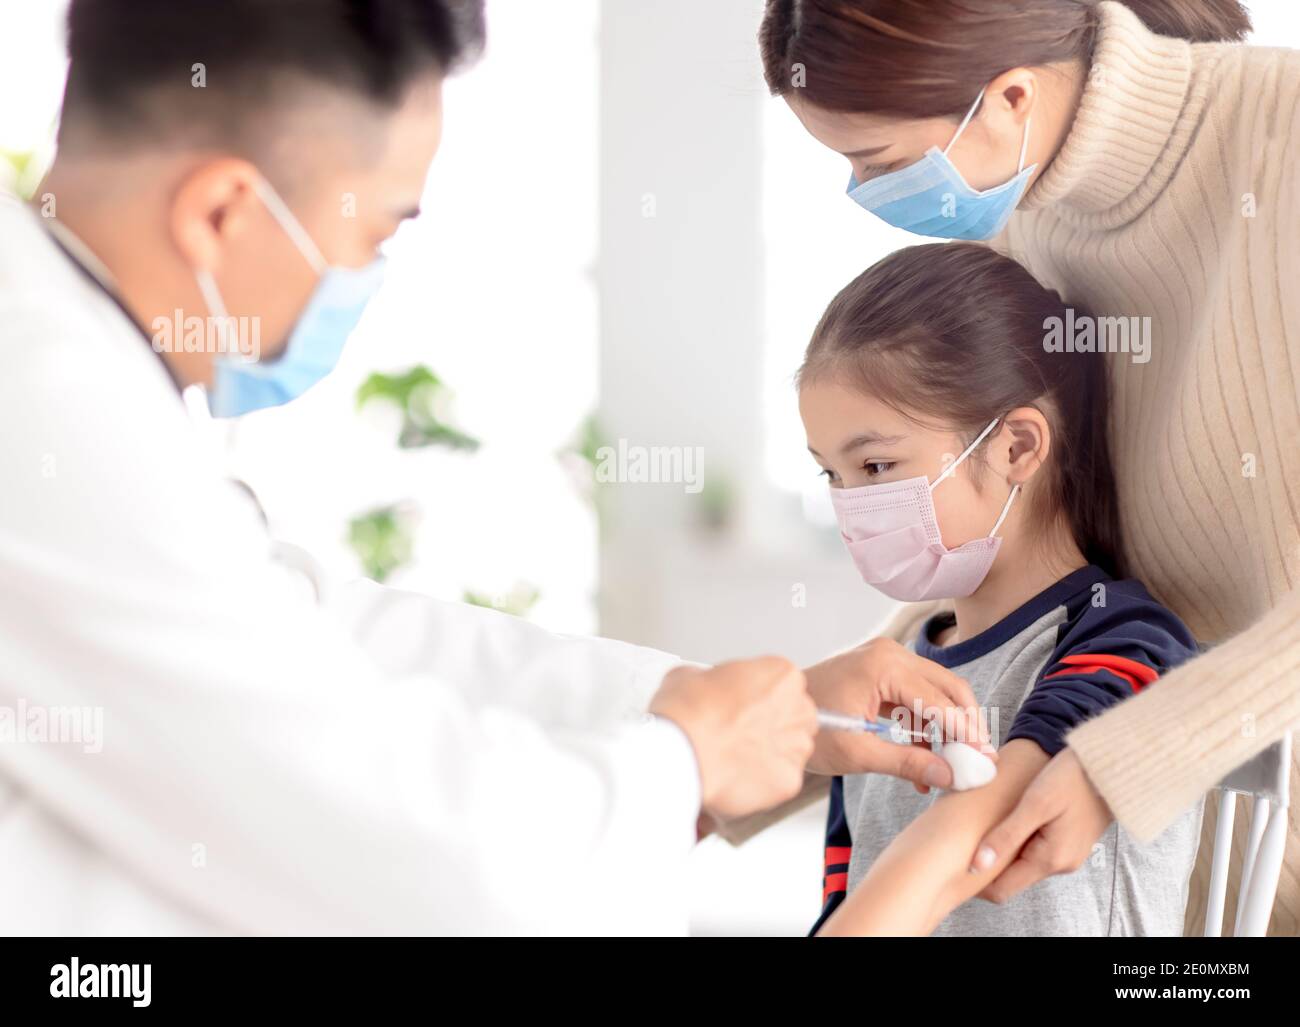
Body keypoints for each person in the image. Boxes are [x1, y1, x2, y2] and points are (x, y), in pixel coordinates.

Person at [0, 0, 980, 934]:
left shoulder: (70, 362)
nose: (367, 276)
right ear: (221, 214)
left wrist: (742, 716)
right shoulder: (46, 416)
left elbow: (304, 634)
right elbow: (401, 851)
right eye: (376, 231)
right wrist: (683, 760)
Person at [754, 0, 1300, 933]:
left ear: (1008, 96)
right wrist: (781, 745)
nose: (865, 195)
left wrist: (1127, 752)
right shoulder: (1024, 209)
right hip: (1162, 846)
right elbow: (1009, 529)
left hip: (1186, 795)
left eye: (880, 163)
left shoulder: (1281, 142)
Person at [802, 243, 1200, 936]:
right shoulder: (887, 675)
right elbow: (848, 892)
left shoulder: (1126, 638)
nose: (850, 505)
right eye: (831, 476)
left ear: (1016, 447)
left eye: (874, 464)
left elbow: (985, 827)